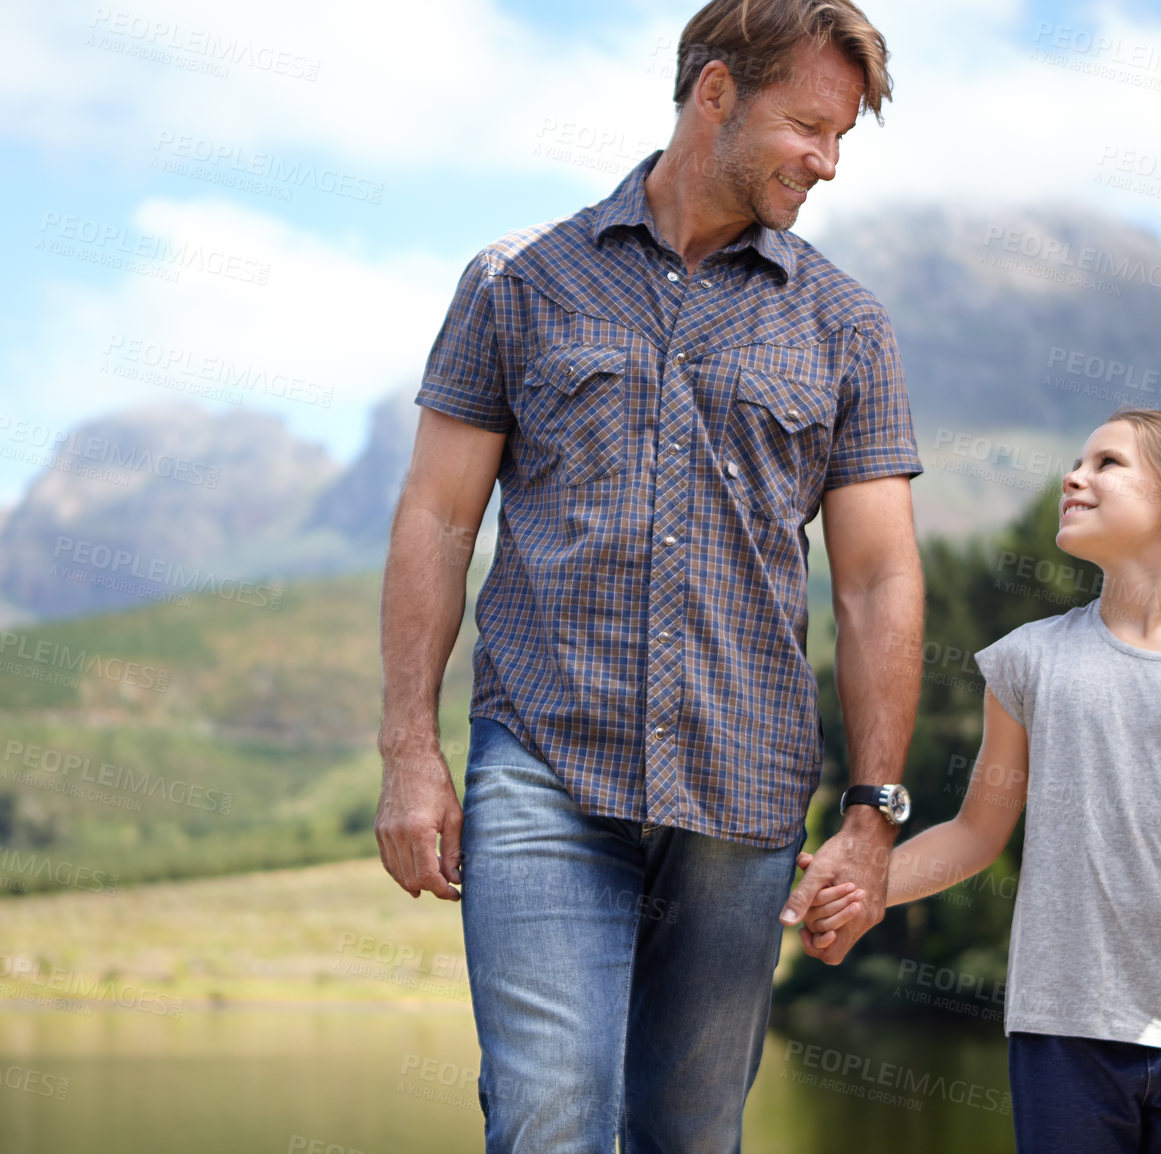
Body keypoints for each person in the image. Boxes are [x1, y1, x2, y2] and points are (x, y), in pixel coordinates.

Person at [374, 1, 926, 1149]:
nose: (826, 163)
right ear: (714, 93)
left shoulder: (846, 325)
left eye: (842, 141)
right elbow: (435, 516)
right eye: (808, 127)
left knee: (689, 1131)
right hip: (541, 760)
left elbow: (877, 579)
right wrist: (409, 749)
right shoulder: (515, 281)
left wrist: (873, 814)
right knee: (548, 1113)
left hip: (744, 788)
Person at [804, 407, 1161, 1153]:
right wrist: (864, 887)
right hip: (1059, 1037)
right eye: (1078, 461)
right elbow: (975, 835)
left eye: (1107, 463)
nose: (1073, 475)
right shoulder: (1027, 661)